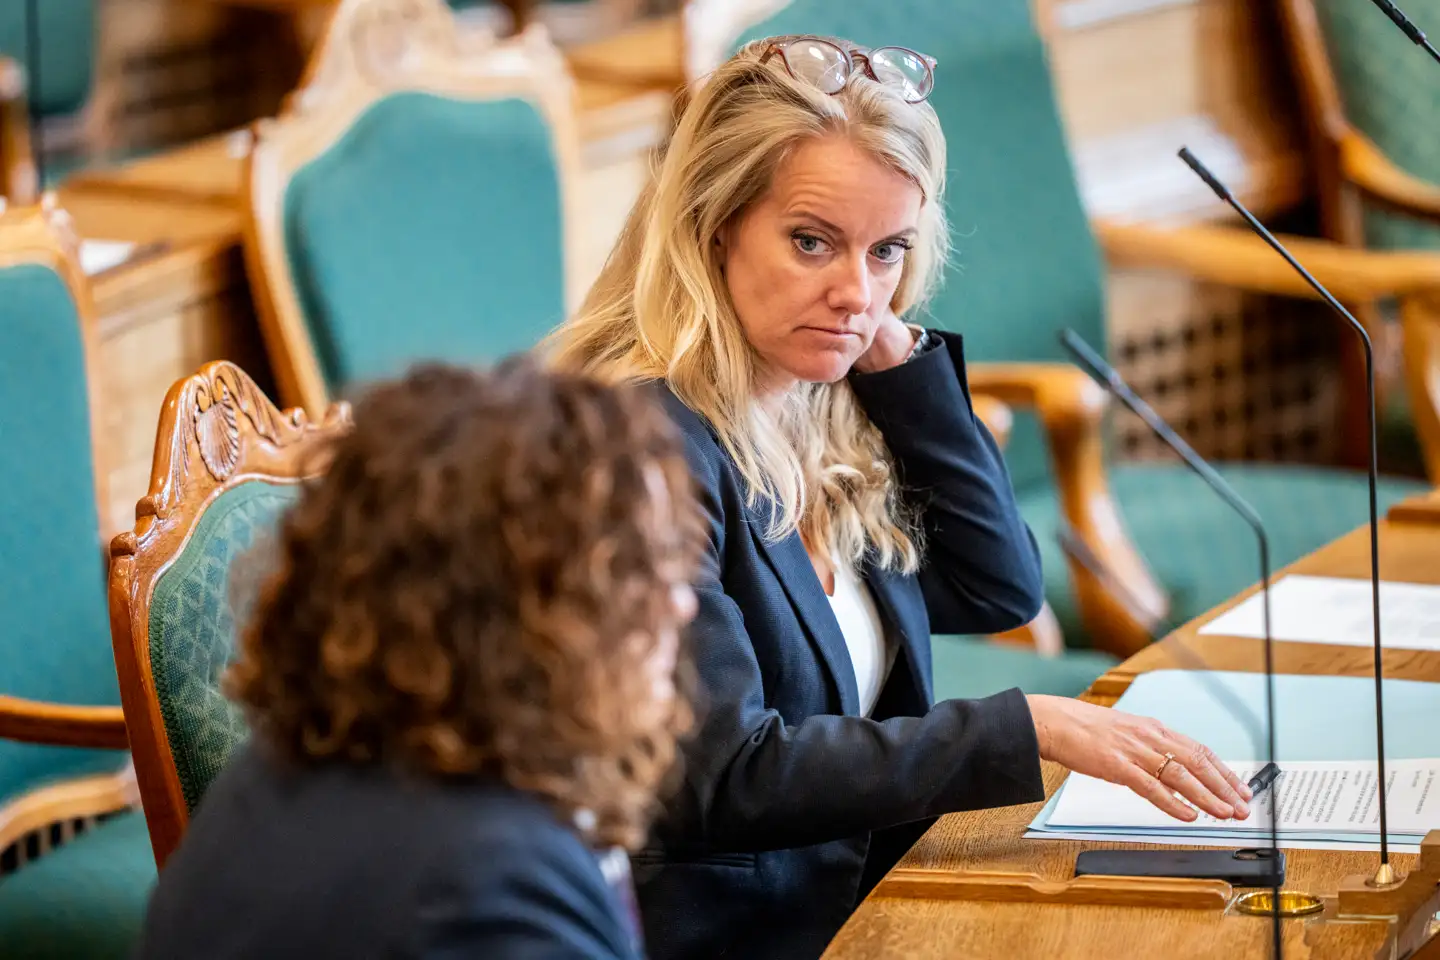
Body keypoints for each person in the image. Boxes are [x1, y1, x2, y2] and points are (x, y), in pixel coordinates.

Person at [544, 35, 1253, 960]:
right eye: (812, 242)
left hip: (867, 897)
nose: (854, 292)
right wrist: (1027, 726)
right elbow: (721, 777)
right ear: (710, 227)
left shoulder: (818, 399)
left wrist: (900, 368)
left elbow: (998, 586)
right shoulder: (639, 447)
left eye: (888, 251)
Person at [133, 360, 703, 960]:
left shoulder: (288, 766)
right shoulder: (489, 894)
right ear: (515, 620)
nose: (682, 604)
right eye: (636, 576)